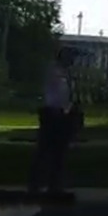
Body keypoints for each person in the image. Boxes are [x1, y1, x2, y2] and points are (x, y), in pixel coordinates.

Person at [28, 48, 83, 194]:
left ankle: (54, 183)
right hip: (52, 113)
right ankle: (36, 183)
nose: (73, 61)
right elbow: (53, 93)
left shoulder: (66, 73)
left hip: (62, 114)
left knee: (59, 151)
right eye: (71, 57)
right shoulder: (54, 72)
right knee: (45, 149)